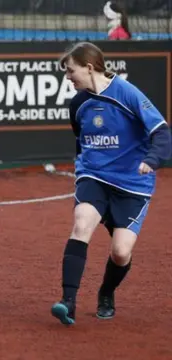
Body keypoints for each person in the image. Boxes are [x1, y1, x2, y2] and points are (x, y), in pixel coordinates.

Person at [51, 42, 171, 325]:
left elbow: (162, 132)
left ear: (89, 67)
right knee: (81, 225)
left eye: (71, 71)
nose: (68, 77)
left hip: (132, 184)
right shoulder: (78, 103)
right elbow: (81, 142)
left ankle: (106, 292)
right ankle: (68, 302)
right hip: (94, 176)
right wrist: (82, 171)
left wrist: (152, 160)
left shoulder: (126, 93)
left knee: (120, 252)